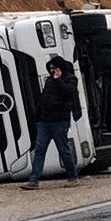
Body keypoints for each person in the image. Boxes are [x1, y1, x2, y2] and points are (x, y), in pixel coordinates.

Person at [22, 55, 81, 189]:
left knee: (63, 150)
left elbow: (67, 92)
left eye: (54, 68)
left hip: (60, 121)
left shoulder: (71, 79)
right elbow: (44, 98)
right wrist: (37, 116)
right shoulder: (49, 80)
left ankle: (73, 177)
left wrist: (58, 80)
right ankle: (34, 180)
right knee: (40, 149)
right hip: (45, 121)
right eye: (51, 68)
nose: (52, 70)